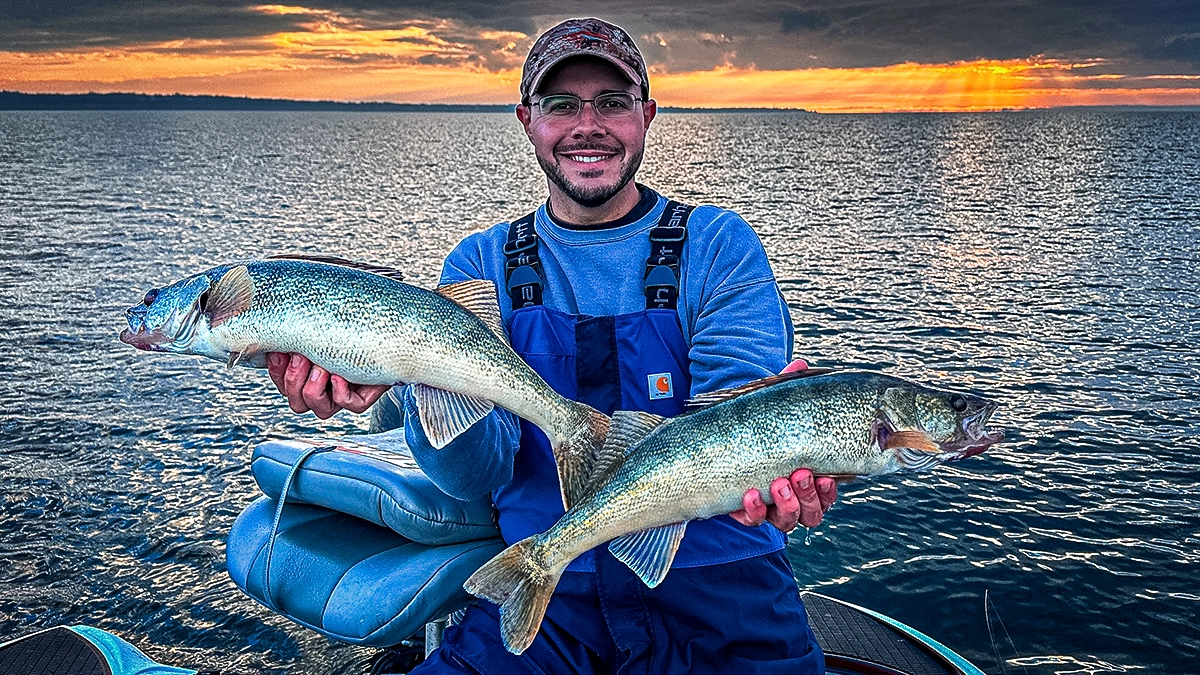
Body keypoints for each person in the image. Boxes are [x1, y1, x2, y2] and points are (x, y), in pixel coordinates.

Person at [266, 17, 838, 675]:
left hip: (722, 586)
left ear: (647, 116)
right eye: (561, 104)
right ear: (527, 119)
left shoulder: (717, 245)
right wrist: (412, 377)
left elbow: (734, 420)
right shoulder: (480, 263)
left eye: (612, 102)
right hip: (547, 602)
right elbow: (475, 476)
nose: (586, 124)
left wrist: (788, 462)